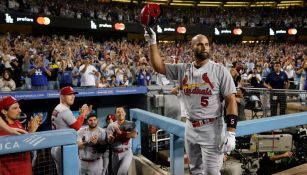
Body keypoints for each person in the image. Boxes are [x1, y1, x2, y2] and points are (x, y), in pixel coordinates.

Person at [145, 29, 238, 175]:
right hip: (190, 126)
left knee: (212, 172)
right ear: (191, 47)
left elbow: (231, 101)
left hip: (212, 128)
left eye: (207, 44)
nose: (204, 47)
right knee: (195, 170)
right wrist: (152, 42)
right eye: (200, 44)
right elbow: (159, 66)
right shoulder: (184, 69)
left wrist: (231, 133)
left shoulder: (220, 70)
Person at [51, 86, 91, 175]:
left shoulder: (58, 107)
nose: (73, 96)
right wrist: (83, 114)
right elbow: (76, 126)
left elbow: (70, 123)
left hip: (56, 146)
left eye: (73, 94)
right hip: (64, 148)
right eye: (69, 95)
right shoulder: (65, 110)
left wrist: (82, 115)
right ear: (62, 97)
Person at [0, 96, 42, 175]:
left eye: (19, 107)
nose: (20, 110)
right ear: (4, 111)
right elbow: (21, 148)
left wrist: (30, 131)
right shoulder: (2, 130)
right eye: (15, 108)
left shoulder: (17, 122)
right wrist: (31, 133)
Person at [107, 106, 138, 175]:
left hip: (126, 152)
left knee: (121, 173)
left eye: (122, 112)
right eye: (118, 112)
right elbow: (110, 141)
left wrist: (121, 134)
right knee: (116, 172)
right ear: (115, 115)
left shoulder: (131, 123)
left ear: (125, 113)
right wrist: (111, 138)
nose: (120, 113)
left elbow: (134, 135)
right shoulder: (111, 125)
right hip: (115, 153)